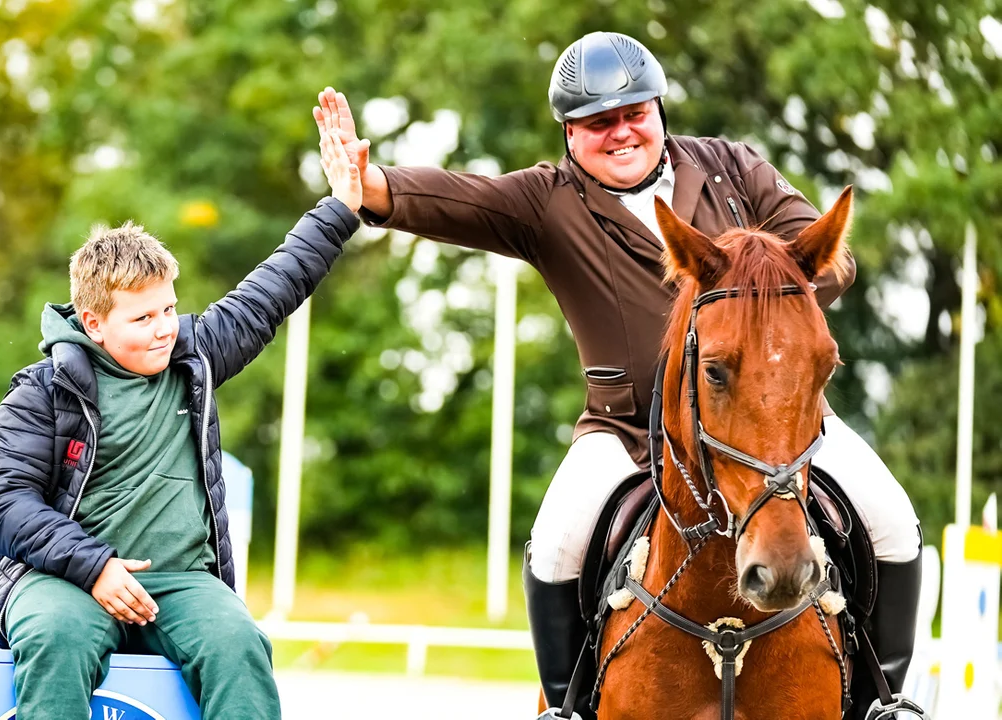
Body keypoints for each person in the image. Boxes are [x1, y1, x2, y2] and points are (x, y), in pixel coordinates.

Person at [315, 31, 923, 719]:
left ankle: (887, 701)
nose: (621, 131)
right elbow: (460, 198)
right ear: (571, 133)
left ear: (660, 110)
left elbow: (823, 255)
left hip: (768, 420)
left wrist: (764, 287)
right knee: (557, 540)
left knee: (892, 518)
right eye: (598, 122)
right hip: (626, 429)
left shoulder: (732, 168)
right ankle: (565, 707)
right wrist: (370, 185)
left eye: (635, 112)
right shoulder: (549, 202)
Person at [0, 130, 362, 719]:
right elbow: (5, 505)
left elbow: (271, 290)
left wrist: (342, 207)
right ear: (93, 322)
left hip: (180, 584)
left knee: (240, 645)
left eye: (170, 308)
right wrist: (94, 566)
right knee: (60, 637)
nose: (164, 328)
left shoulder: (195, 354)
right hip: (58, 581)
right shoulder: (40, 391)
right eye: (143, 316)